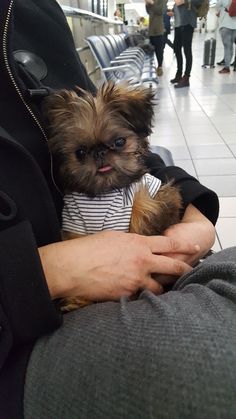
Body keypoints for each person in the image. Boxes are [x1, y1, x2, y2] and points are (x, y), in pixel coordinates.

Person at [1, 1, 236, 418]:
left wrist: (195, 208)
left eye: (114, 147)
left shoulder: (33, 9)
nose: (103, 158)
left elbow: (135, 148)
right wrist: (49, 272)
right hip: (24, 336)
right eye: (85, 152)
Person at [169, 0, 202, 88]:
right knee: (177, 49)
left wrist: (184, 1)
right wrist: (172, 12)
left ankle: (186, 77)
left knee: (187, 50)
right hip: (178, 25)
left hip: (187, 24)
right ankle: (179, 74)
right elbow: (177, 8)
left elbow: (199, 2)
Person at [146, 0, 167, 76]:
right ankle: (152, 67)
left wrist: (152, 3)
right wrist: (147, 4)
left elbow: (160, 11)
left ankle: (160, 66)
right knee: (151, 50)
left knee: (159, 50)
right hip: (151, 29)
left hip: (158, 29)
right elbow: (149, 12)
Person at [216, 0, 236, 73]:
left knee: (227, 47)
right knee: (231, 46)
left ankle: (227, 67)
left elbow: (217, 7)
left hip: (225, 25)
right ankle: (232, 64)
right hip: (235, 25)